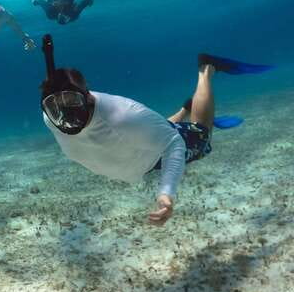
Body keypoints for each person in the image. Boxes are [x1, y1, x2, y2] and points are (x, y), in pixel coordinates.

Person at [38, 34, 272, 224]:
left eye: (72, 102)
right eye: (53, 107)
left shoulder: (125, 116)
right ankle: (184, 109)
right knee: (151, 132)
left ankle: (207, 69)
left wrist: (166, 192)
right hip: (138, 149)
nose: (65, 117)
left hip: (155, 151)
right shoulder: (51, 118)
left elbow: (172, 144)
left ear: (87, 97)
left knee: (201, 139)